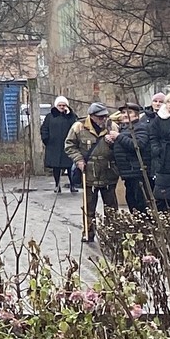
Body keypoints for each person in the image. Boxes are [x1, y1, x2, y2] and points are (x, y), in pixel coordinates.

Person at [66, 103, 120, 243]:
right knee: (89, 206)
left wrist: (115, 141)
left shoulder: (112, 127)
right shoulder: (79, 127)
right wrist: (78, 160)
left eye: (105, 116)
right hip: (89, 172)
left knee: (111, 207)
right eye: (100, 117)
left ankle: (113, 233)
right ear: (92, 116)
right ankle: (88, 232)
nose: (103, 119)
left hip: (108, 171)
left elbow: (121, 147)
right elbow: (70, 145)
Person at [110, 104, 151, 212]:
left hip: (137, 171)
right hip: (127, 172)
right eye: (123, 113)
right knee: (131, 200)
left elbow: (137, 145)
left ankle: (145, 225)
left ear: (136, 116)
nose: (125, 115)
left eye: (129, 112)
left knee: (140, 201)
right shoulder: (124, 129)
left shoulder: (140, 127)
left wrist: (119, 137)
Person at [40, 96, 78, 193]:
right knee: (56, 167)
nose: (61, 107)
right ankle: (57, 185)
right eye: (60, 105)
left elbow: (76, 126)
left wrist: (69, 114)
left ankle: (72, 185)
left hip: (68, 145)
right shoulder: (50, 116)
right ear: (56, 106)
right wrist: (46, 139)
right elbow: (44, 129)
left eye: (63, 105)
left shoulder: (71, 116)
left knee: (70, 166)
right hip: (54, 145)